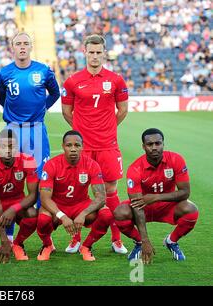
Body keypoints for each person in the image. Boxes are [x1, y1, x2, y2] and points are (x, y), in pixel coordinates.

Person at [61, 34, 128, 254]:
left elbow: (123, 110)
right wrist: (83, 133)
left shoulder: (116, 80)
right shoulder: (72, 81)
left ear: (104, 53)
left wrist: (107, 129)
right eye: (91, 52)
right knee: (81, 192)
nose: (95, 56)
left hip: (108, 146)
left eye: (99, 52)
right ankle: (76, 239)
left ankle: (117, 239)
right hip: (84, 147)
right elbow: (67, 112)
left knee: (110, 190)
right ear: (85, 52)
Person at [0, 32, 60, 242]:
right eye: (18, 44)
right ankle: (10, 233)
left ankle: (44, 236)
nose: (22, 47)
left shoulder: (43, 71)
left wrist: (42, 110)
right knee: (11, 181)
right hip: (13, 130)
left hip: (36, 130)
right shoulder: (4, 73)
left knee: (42, 179)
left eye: (25, 43)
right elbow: (1, 98)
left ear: (31, 46)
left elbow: (55, 93)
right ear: (12, 47)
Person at [114, 128, 198, 264]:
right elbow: (136, 205)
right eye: (150, 144)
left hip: (167, 206)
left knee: (191, 210)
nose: (154, 148)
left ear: (163, 144)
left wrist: (156, 197)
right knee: (120, 212)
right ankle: (139, 243)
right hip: (144, 207)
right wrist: (145, 240)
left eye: (158, 143)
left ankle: (171, 241)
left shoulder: (176, 159)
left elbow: (185, 192)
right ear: (143, 146)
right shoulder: (135, 168)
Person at [37, 130, 113, 261]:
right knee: (43, 219)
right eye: (69, 145)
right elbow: (44, 198)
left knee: (106, 215)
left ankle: (86, 246)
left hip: (81, 204)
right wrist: (62, 216)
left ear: (82, 147)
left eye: (77, 145)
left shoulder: (92, 165)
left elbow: (101, 197)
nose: (73, 149)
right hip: (58, 206)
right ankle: (47, 245)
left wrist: (83, 214)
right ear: (63, 146)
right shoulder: (51, 165)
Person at [0, 129, 38, 263]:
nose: (8, 150)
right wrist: (4, 239)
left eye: (11, 147)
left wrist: (14, 209)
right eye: (4, 147)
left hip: (17, 201)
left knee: (32, 214)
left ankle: (17, 244)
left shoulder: (28, 160)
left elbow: (33, 195)